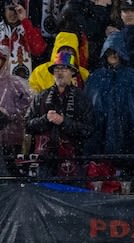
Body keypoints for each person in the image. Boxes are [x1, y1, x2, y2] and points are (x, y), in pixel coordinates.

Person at [25, 49, 94, 177]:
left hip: (73, 158)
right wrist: (45, 119)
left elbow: (88, 130)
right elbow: (27, 125)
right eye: (57, 69)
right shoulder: (41, 97)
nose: (60, 73)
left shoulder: (82, 98)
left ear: (73, 72)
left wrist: (64, 122)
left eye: (64, 69)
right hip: (44, 159)